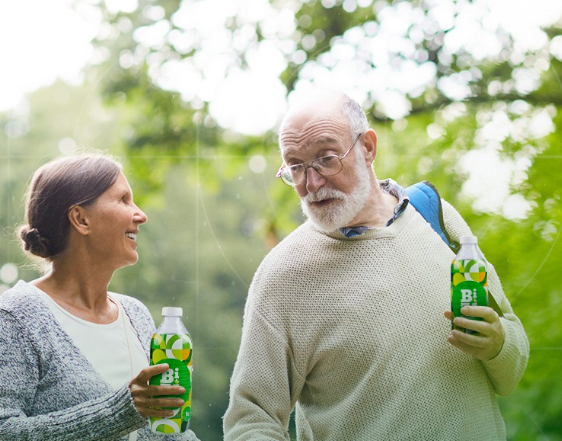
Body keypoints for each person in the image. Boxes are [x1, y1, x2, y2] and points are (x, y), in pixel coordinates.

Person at [223, 90, 529, 440]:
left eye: (325, 158)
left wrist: (498, 345)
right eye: (296, 167)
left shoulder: (438, 218)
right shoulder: (283, 275)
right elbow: (250, 420)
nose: (311, 183)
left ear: (368, 147)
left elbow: (513, 367)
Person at [0, 154, 199, 441]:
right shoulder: (16, 316)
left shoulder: (136, 314)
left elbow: (164, 430)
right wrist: (123, 410)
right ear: (81, 219)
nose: (141, 215)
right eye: (123, 200)